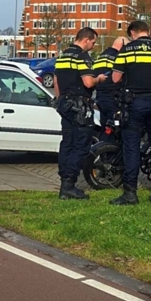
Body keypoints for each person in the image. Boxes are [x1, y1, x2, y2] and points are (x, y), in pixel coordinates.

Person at [110, 20, 151, 205]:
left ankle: (130, 193)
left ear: (132, 33)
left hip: (134, 103)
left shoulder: (127, 51)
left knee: (131, 146)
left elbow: (115, 78)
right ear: (148, 32)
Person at [54, 27, 99, 201]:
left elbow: (56, 81)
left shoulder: (63, 56)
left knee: (67, 142)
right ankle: (69, 185)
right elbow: (88, 82)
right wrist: (99, 79)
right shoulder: (82, 56)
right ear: (86, 39)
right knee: (81, 144)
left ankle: (64, 180)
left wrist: (60, 101)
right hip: (80, 104)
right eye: (93, 42)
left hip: (65, 103)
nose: (93, 46)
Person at [93, 36, 128, 127]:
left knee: (105, 127)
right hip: (114, 97)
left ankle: (104, 141)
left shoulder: (100, 56)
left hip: (100, 98)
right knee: (117, 127)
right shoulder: (118, 57)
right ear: (122, 45)